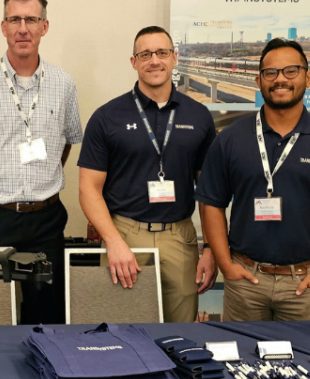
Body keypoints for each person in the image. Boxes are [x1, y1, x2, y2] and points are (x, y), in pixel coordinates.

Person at [196, 38, 310, 322]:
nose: (280, 79)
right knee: (240, 361)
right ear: (259, 81)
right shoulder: (230, 139)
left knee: (304, 362)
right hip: (245, 280)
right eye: (271, 73)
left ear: (308, 77)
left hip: (304, 285)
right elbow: (211, 204)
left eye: (290, 71)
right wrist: (226, 265)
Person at [0, 0, 83, 325]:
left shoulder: (64, 83)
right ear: (3, 26)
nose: (22, 28)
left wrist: (42, 180)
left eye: (31, 19)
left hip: (46, 220)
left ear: (45, 26)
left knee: (47, 316)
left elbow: (66, 143)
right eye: (15, 19)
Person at [78, 26, 217, 322]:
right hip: (125, 235)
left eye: (162, 53)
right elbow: (88, 188)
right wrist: (113, 241)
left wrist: (211, 249)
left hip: (180, 237)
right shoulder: (107, 117)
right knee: (124, 330)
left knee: (181, 334)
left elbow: (209, 192)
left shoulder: (199, 116)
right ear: (134, 62)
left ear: (175, 57)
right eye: (145, 54)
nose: (154, 61)